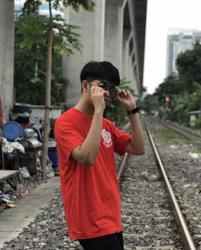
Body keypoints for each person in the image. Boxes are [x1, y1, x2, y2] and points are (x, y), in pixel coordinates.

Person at [54, 61, 145, 250]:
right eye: (102, 85)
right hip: (90, 219)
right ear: (85, 86)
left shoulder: (106, 125)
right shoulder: (65, 123)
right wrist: (98, 110)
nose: (107, 92)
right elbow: (86, 157)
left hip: (110, 216)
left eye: (111, 87)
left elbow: (138, 148)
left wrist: (132, 110)